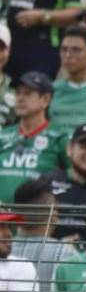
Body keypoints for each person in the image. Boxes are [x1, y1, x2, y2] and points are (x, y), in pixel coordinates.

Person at [0, 72, 65, 203]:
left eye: (27, 93)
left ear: (45, 100)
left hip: (36, 218)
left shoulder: (59, 137)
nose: (20, 98)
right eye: (18, 93)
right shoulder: (3, 134)